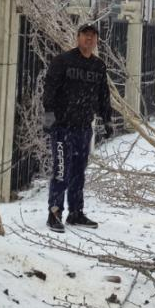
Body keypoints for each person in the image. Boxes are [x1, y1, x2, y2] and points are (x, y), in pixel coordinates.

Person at [42, 23, 113, 232]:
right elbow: (50, 89)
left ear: (96, 40)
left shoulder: (98, 66)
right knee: (62, 170)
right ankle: (54, 213)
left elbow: (103, 96)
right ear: (78, 37)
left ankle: (75, 213)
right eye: (85, 36)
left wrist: (107, 120)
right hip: (63, 127)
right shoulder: (63, 61)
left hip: (84, 128)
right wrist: (48, 116)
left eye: (92, 36)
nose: (88, 40)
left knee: (78, 173)